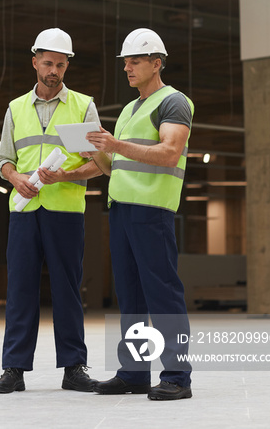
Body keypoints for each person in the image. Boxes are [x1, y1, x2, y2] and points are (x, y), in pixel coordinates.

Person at [0, 28, 102, 394]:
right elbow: (4, 159)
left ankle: (74, 368)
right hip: (23, 210)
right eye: (48, 63)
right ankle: (14, 368)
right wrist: (15, 177)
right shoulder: (16, 108)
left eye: (60, 64)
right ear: (35, 62)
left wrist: (65, 176)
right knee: (20, 288)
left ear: (67, 65)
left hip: (65, 211)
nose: (53, 70)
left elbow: (99, 164)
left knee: (67, 289)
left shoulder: (83, 106)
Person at [86, 28, 194, 401]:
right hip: (122, 211)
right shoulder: (132, 110)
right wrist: (97, 152)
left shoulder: (174, 102)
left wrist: (114, 144)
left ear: (156, 63)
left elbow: (168, 152)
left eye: (134, 61)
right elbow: (115, 166)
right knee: (130, 296)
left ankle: (178, 376)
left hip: (152, 212)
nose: (127, 68)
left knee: (162, 294)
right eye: (125, 62)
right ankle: (133, 373)